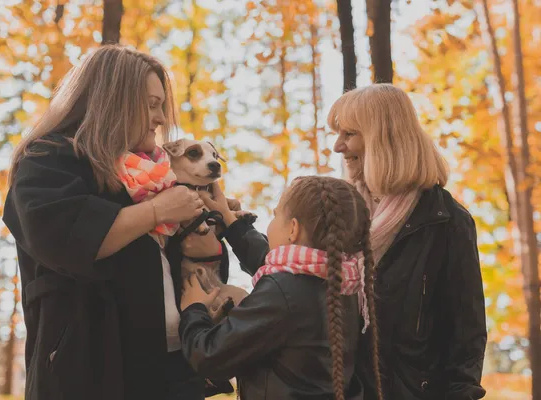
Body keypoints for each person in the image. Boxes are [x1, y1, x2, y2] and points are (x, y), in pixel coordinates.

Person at [2, 45, 231, 400]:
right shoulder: (47, 159)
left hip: (170, 366)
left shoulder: (147, 174)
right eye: (152, 105)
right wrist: (156, 211)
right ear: (114, 100)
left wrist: (209, 245)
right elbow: (67, 239)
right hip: (89, 371)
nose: (160, 119)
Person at [327, 83, 487, 399]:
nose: (337, 146)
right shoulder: (341, 214)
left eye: (349, 134)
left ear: (380, 138)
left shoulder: (446, 220)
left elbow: (466, 333)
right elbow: (293, 282)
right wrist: (236, 229)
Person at [178, 177, 384, 400]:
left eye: (275, 215)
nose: (271, 221)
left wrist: (194, 310)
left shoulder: (282, 290)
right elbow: (272, 264)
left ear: (293, 229)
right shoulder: (346, 284)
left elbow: (210, 355)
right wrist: (231, 222)